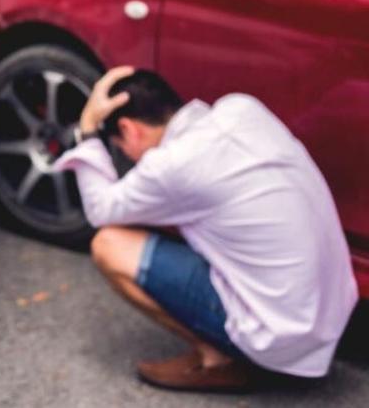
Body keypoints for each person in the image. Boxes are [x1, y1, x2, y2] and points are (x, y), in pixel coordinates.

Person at [54, 67, 358, 392]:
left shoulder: (173, 165)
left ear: (130, 130)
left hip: (280, 334)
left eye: (120, 145)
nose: (126, 156)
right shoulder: (242, 108)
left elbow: (101, 210)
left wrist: (87, 130)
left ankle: (218, 360)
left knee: (109, 246)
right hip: (330, 310)